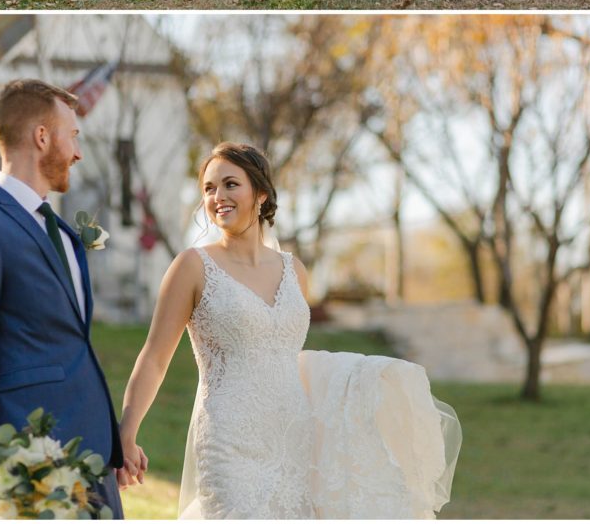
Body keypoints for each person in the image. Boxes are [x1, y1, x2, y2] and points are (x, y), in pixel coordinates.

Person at [117, 142, 461, 519]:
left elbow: (286, 356)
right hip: (229, 438)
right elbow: (154, 357)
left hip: (295, 435)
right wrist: (127, 431)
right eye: (209, 188)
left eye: (231, 184)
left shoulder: (295, 271)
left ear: (260, 193)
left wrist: (359, 382)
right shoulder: (191, 267)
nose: (218, 197)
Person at [0, 79, 132, 520]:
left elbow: (71, 343)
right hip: (33, 458)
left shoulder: (64, 234)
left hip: (94, 456)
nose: (78, 153)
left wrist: (114, 444)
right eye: (73, 136)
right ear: (42, 137)